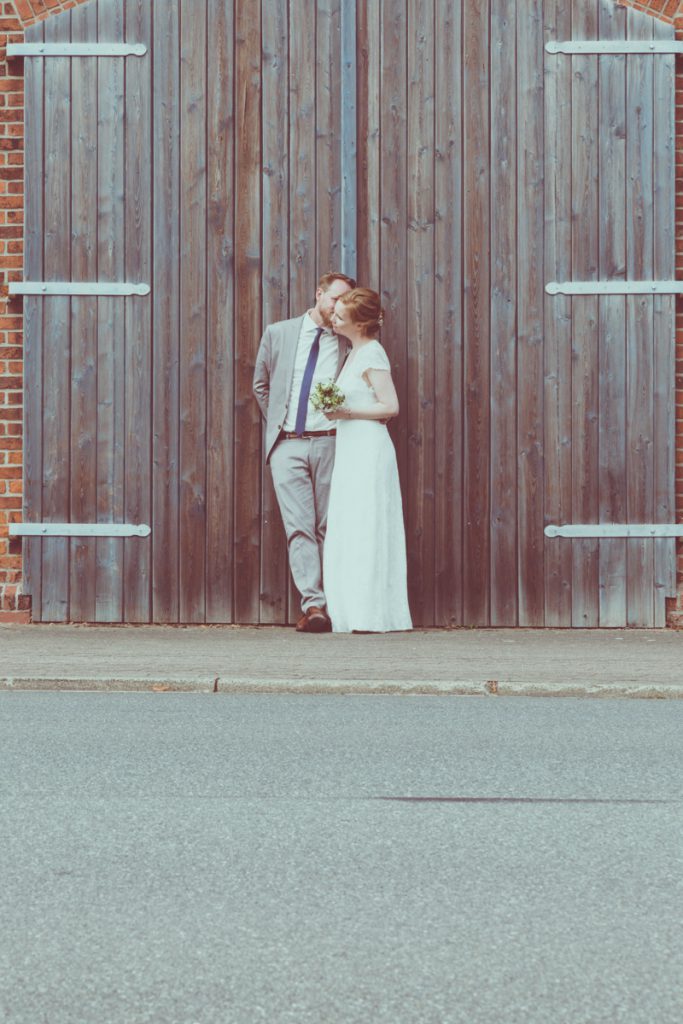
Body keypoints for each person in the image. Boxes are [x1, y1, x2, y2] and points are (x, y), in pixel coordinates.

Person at [253, 271, 356, 632]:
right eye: (336, 299)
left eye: (346, 301)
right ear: (318, 294)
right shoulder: (278, 333)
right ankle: (314, 606)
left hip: (331, 441)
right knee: (299, 527)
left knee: (330, 526)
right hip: (287, 444)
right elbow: (261, 385)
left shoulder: (347, 340)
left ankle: (336, 603)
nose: (339, 307)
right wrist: (279, 424)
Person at [322, 288, 412, 632]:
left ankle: (371, 613)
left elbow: (390, 406)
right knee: (351, 523)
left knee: (367, 522)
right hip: (351, 447)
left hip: (368, 447)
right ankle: (352, 611)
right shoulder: (353, 352)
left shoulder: (372, 353)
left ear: (360, 324)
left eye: (340, 315)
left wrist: (345, 412)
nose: (334, 318)